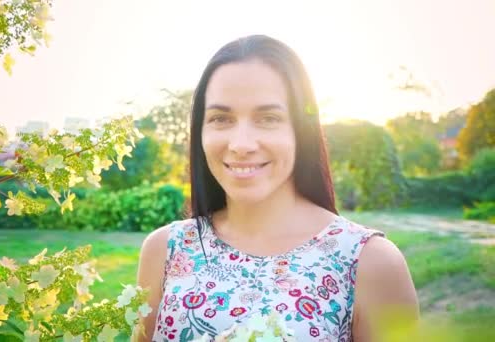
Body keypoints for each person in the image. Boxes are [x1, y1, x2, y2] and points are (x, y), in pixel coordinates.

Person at [136, 35, 418, 341]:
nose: (241, 144)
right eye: (220, 118)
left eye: (268, 118)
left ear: (301, 130)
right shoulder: (165, 250)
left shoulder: (369, 263)